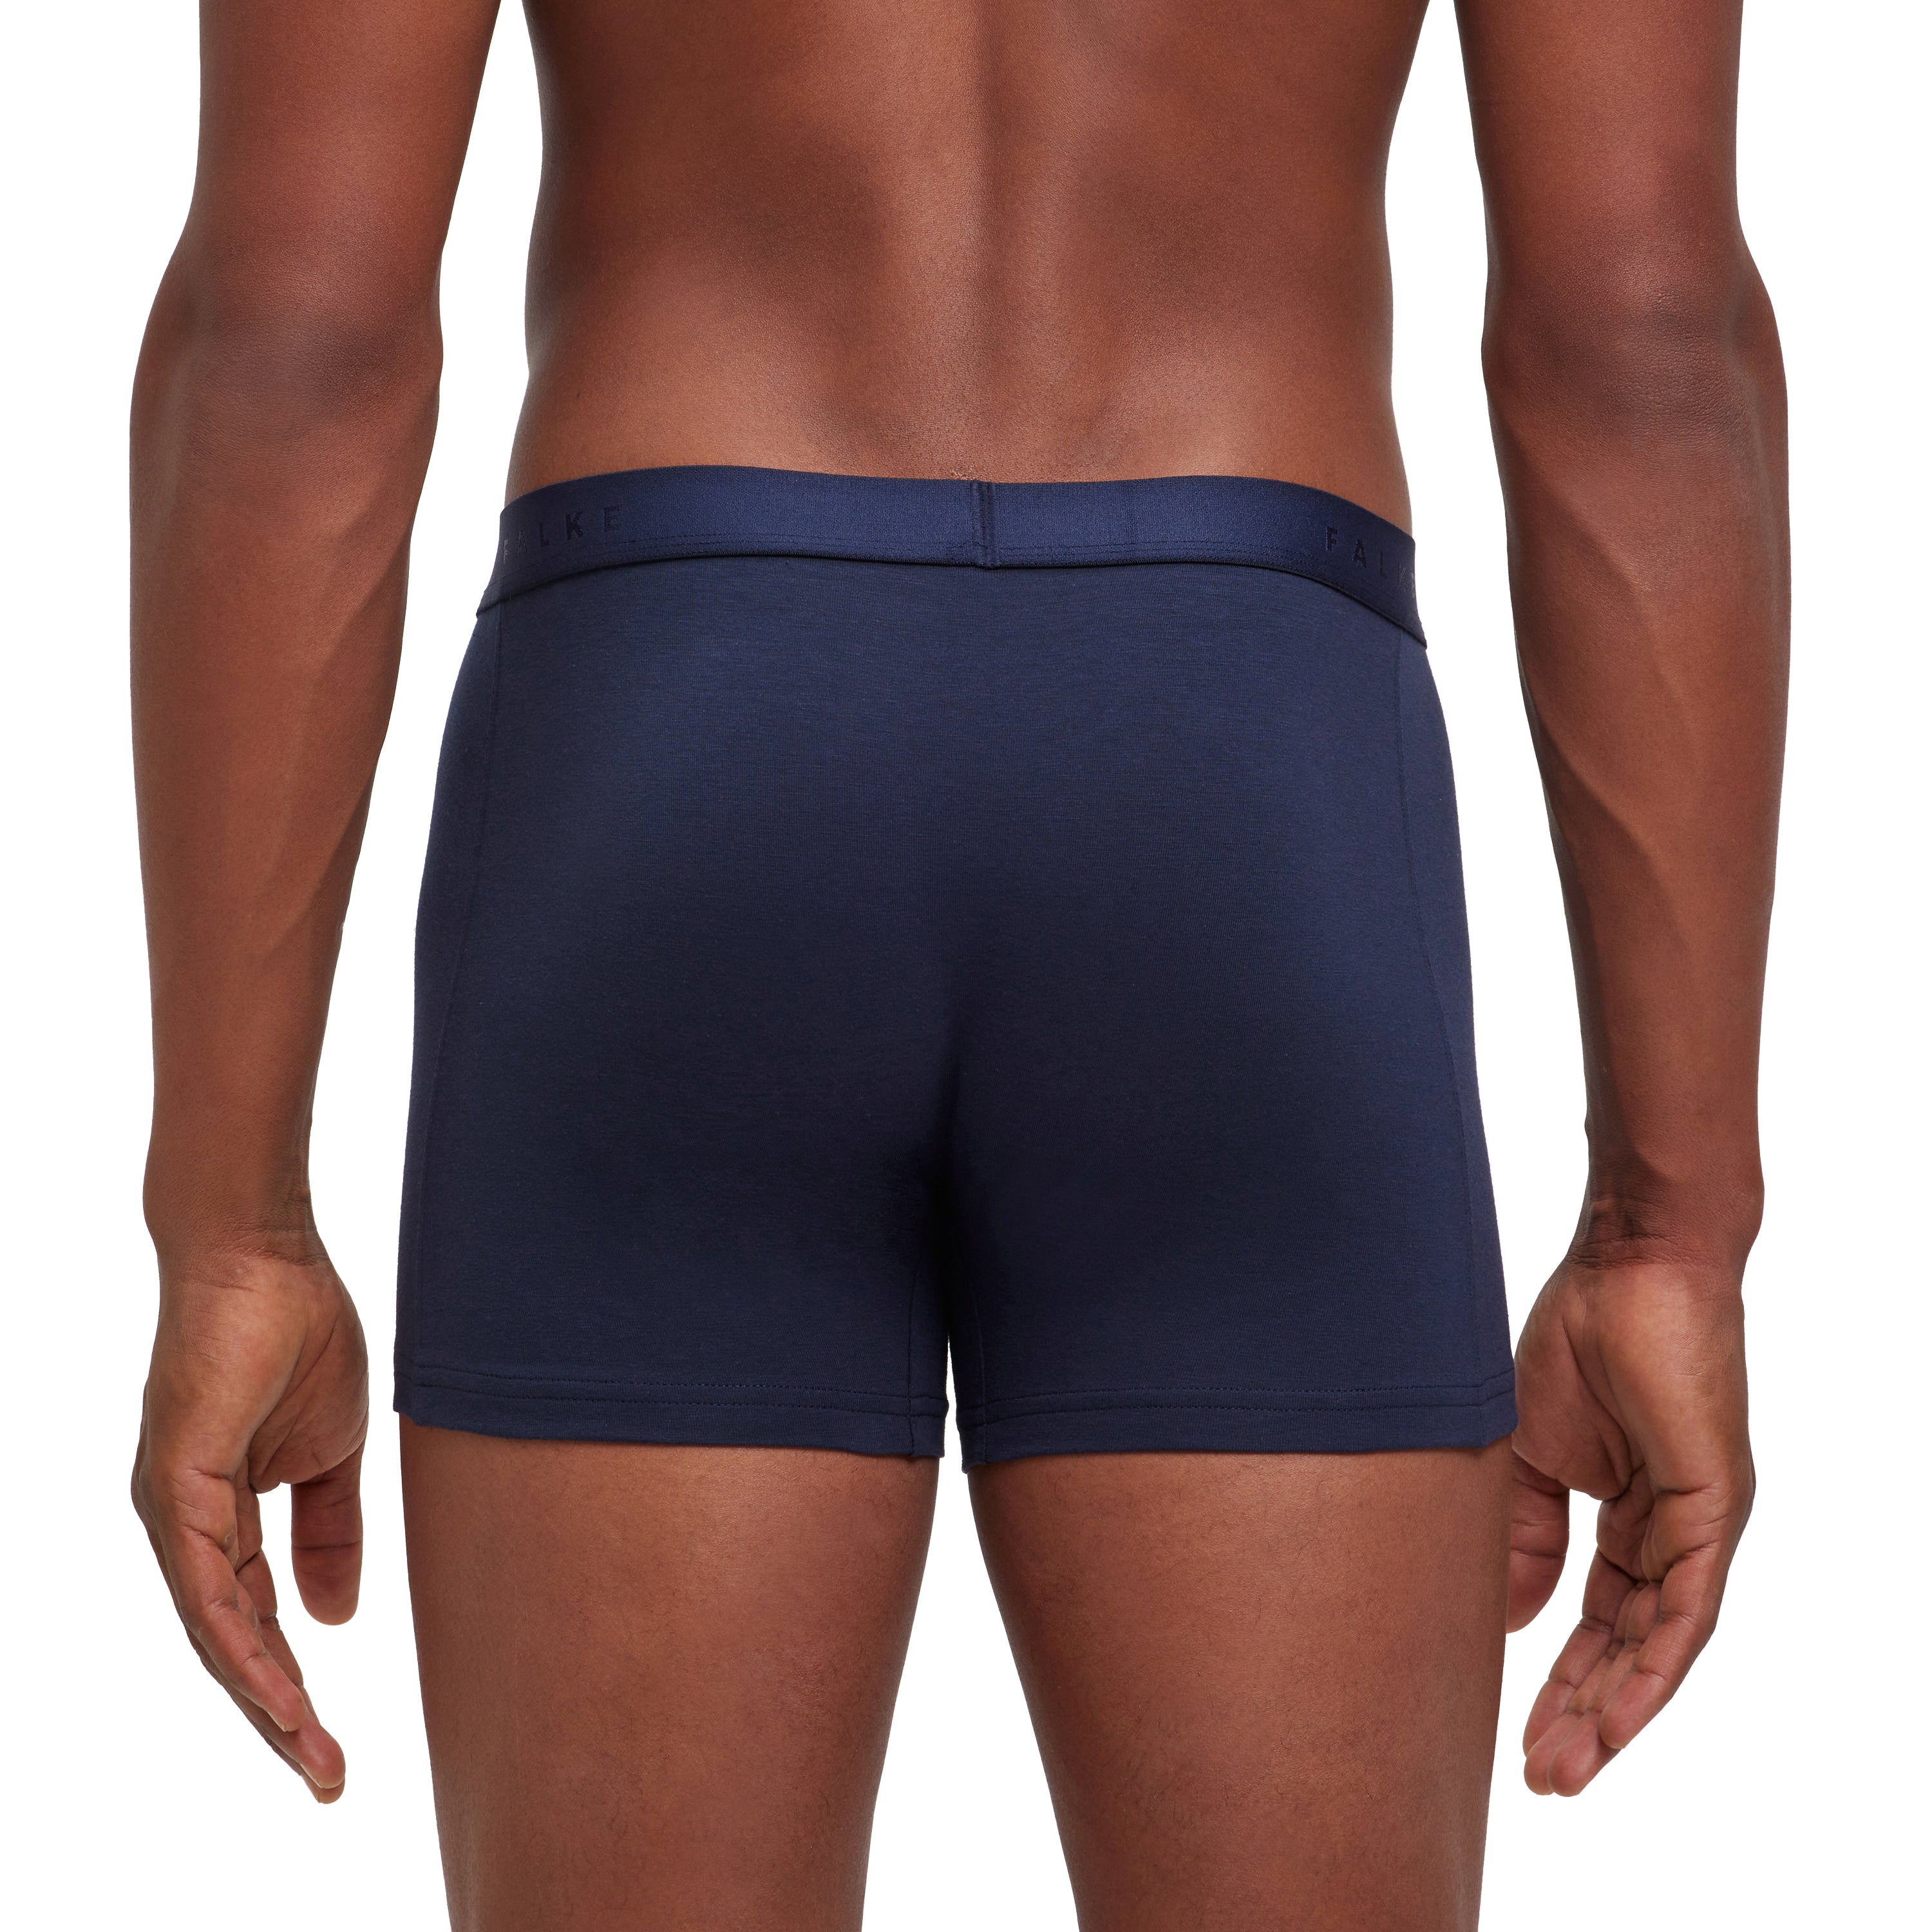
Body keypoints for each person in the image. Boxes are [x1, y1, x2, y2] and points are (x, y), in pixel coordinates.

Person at [126, 0, 1785, 1925]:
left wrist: (230, 1225)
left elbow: (295, 332)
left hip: (677, 735)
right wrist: (1673, 1231)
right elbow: (1642, 336)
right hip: (1242, 762)